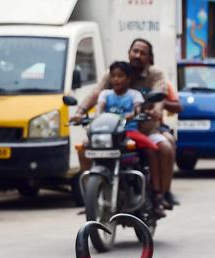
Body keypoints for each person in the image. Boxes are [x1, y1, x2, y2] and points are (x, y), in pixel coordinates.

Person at [78, 39, 182, 208]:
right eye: (135, 51)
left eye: (142, 53)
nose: (137, 55)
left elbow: (161, 98)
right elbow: (96, 94)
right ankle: (92, 194)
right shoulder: (114, 72)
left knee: (165, 148)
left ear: (149, 58)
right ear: (129, 52)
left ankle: (160, 194)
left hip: (145, 129)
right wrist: (80, 111)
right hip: (113, 131)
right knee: (83, 147)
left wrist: (155, 110)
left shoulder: (155, 75)